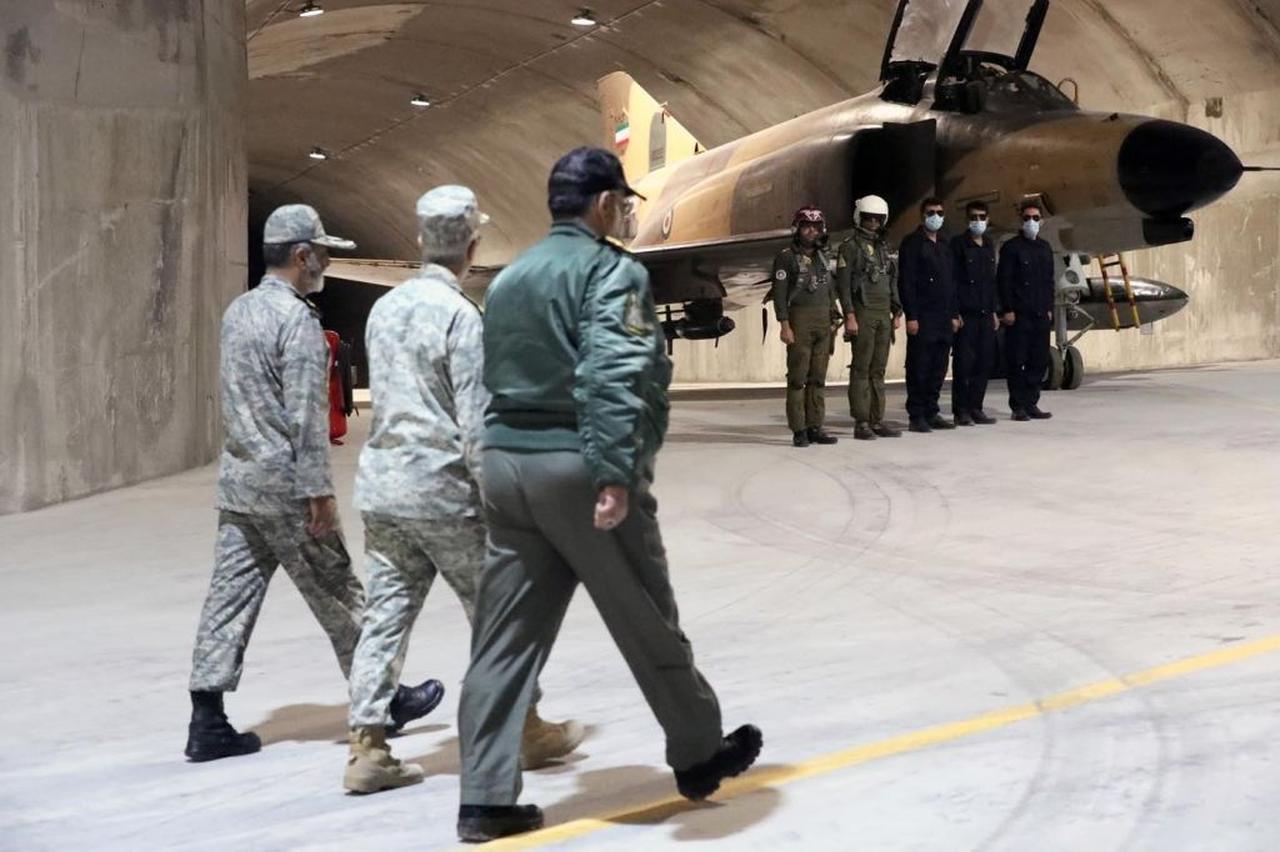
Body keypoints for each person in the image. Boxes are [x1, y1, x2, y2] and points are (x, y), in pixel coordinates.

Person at [455, 148, 762, 843]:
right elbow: (614, 370)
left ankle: (485, 799)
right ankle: (698, 752)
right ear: (600, 204)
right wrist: (615, 473)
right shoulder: (610, 271)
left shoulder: (508, 279)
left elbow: (488, 378)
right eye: (622, 202)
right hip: (579, 468)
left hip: (506, 467)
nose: (626, 214)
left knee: (503, 641)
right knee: (645, 614)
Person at [343, 187, 583, 794]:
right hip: (443, 492)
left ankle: (367, 748)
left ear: (421, 240)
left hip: (382, 488)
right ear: (472, 247)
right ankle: (523, 728)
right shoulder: (461, 317)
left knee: (385, 616)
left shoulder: (384, 309)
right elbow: (478, 426)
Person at [185, 205, 442, 763]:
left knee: (229, 599)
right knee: (340, 594)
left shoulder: (239, 311)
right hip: (287, 487)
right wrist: (318, 492)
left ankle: (206, 717)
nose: (325, 261)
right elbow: (305, 414)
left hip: (240, 483)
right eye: (321, 252)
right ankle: (384, 702)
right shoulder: (296, 322)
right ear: (301, 256)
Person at [771, 207, 841, 447]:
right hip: (799, 320)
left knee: (818, 378)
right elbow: (779, 295)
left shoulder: (823, 256)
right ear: (797, 228)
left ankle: (815, 426)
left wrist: (834, 317)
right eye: (806, 225)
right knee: (798, 378)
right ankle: (799, 429)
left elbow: (829, 289)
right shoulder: (785, 258)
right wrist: (784, 325)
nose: (812, 230)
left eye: (816, 226)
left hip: (823, 322)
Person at [837, 195, 902, 441]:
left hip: (883, 314)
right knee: (862, 369)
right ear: (859, 218)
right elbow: (844, 286)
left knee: (879, 369)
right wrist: (849, 316)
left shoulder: (884, 248)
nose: (873, 223)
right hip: (863, 313)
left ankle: (877, 419)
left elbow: (891, 280)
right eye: (868, 218)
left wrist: (896, 310)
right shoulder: (849, 247)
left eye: (877, 219)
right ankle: (861, 421)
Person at [898, 198, 962, 433]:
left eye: (939, 212)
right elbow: (907, 282)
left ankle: (932, 411)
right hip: (923, 317)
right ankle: (917, 415)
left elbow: (952, 283)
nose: (935, 216)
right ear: (922, 216)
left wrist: (955, 313)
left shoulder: (945, 244)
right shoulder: (912, 243)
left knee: (939, 367)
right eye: (931, 212)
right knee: (919, 367)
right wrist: (911, 315)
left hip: (944, 317)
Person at [998, 200, 1056, 421]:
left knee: (1038, 360)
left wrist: (1049, 308)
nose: (1031, 222)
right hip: (1019, 315)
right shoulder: (1011, 248)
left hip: (1040, 314)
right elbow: (1004, 281)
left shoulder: (1045, 247)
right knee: (1017, 360)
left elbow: (1049, 281)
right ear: (1020, 221)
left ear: (1041, 220)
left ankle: (1032, 402)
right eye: (1026, 218)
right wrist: (1007, 309)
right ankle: (1018, 405)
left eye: (1035, 218)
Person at [949, 201, 1001, 426]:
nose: (977, 221)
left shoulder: (989, 245)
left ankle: (976, 408)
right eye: (973, 217)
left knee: (984, 363)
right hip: (966, 315)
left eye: (981, 217)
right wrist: (955, 311)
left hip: (985, 314)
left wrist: (994, 311)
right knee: (963, 365)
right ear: (967, 220)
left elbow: (991, 281)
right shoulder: (958, 245)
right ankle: (961, 411)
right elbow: (952, 281)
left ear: (988, 219)